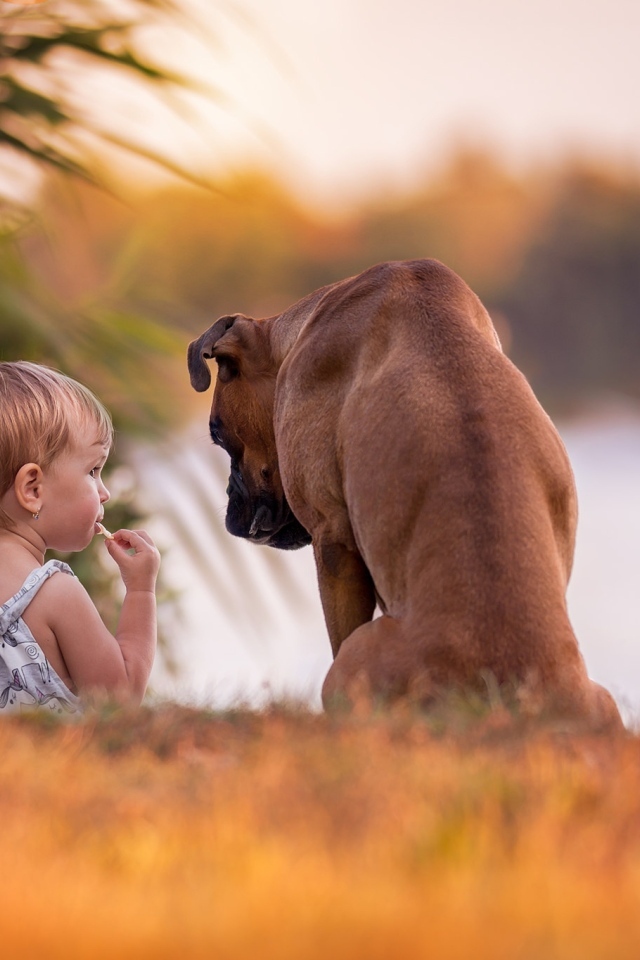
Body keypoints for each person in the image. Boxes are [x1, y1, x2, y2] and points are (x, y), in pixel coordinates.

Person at [0, 361, 160, 715]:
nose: (104, 492)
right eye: (92, 470)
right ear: (33, 489)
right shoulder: (54, 593)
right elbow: (121, 700)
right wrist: (141, 591)